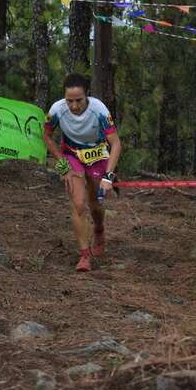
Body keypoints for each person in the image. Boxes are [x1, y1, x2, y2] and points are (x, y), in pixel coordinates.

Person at [43, 74, 122, 272]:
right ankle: (84, 255)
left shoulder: (99, 109)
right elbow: (46, 136)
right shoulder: (57, 109)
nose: (74, 106)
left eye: (78, 100)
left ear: (87, 95)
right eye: (69, 101)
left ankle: (99, 229)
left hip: (97, 154)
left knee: (95, 204)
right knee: (78, 204)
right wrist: (62, 165)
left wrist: (108, 176)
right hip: (71, 156)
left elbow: (116, 144)